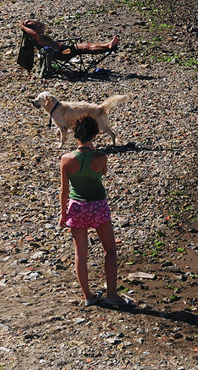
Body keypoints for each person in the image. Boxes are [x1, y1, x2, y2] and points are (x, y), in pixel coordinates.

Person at [59, 116, 127, 307]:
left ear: (75, 135)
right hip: (97, 205)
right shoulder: (100, 157)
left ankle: (88, 295)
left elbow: (64, 191)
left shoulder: (66, 159)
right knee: (110, 249)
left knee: (80, 253)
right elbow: (102, 173)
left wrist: (63, 215)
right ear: (95, 135)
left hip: (77, 207)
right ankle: (111, 294)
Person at [21, 19, 119, 56]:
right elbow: (32, 32)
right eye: (35, 25)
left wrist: (30, 20)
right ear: (33, 29)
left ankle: (107, 45)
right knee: (85, 47)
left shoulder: (40, 34)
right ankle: (107, 47)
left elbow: (43, 25)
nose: (38, 26)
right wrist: (23, 26)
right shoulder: (38, 37)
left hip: (64, 49)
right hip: (62, 53)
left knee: (87, 45)